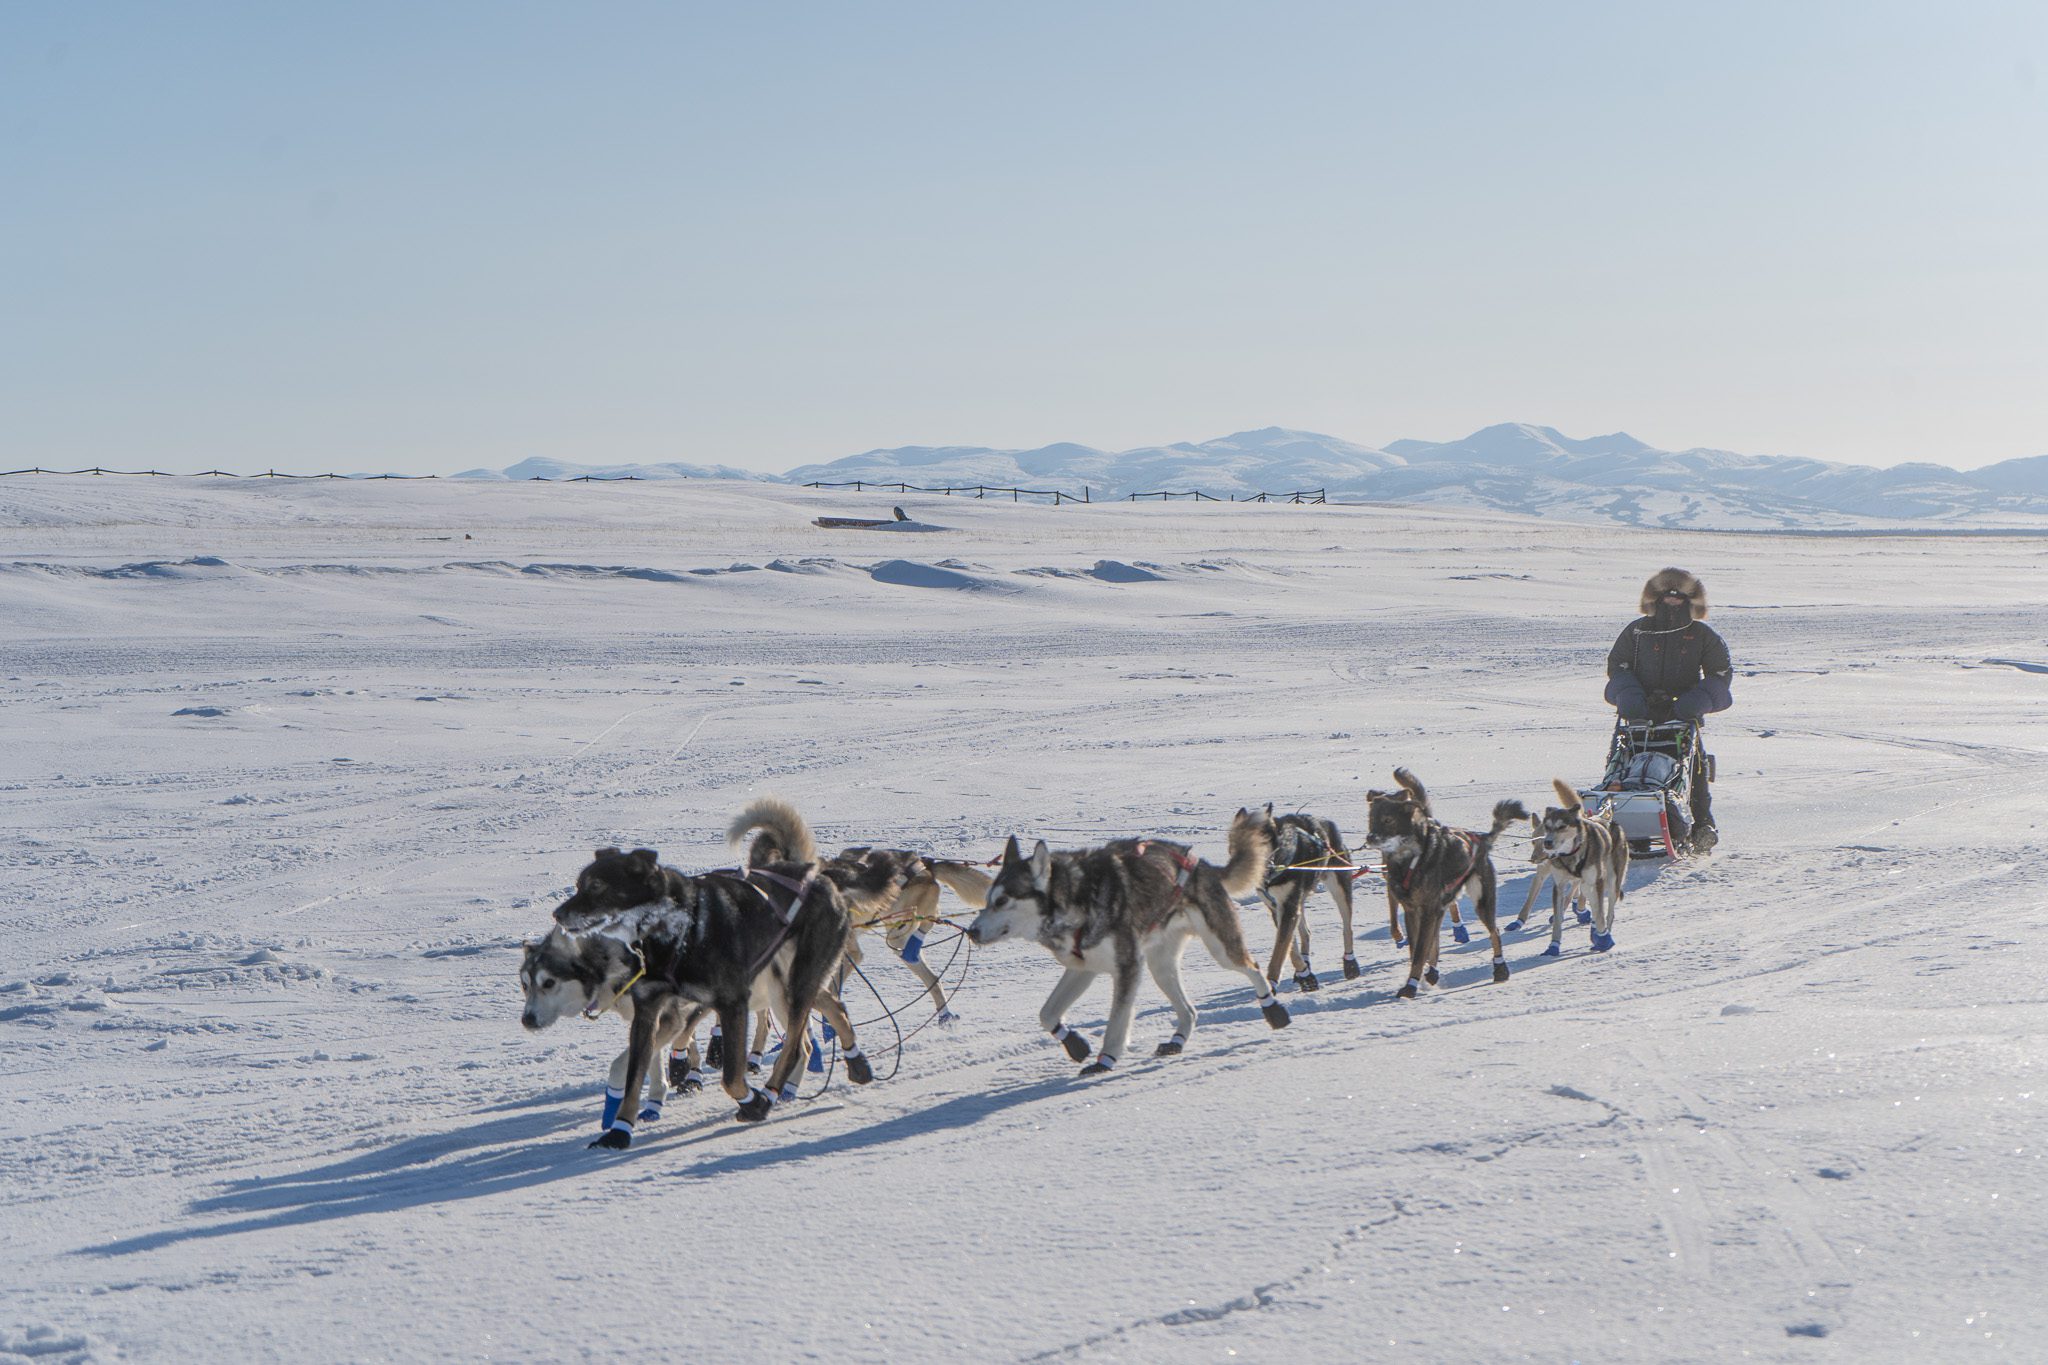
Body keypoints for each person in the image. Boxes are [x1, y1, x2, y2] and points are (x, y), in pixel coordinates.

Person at [1604, 567, 1732, 851]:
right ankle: (1626, 824)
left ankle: (1702, 825)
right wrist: (1629, 695)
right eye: (1667, 595)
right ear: (1657, 598)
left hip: (1683, 714)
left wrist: (1696, 701)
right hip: (1640, 712)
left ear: (1689, 600)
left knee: (1693, 766)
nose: (1672, 601)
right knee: (1626, 764)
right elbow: (1618, 667)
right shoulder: (1636, 631)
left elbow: (1720, 674)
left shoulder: (1701, 634)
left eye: (1678, 596)